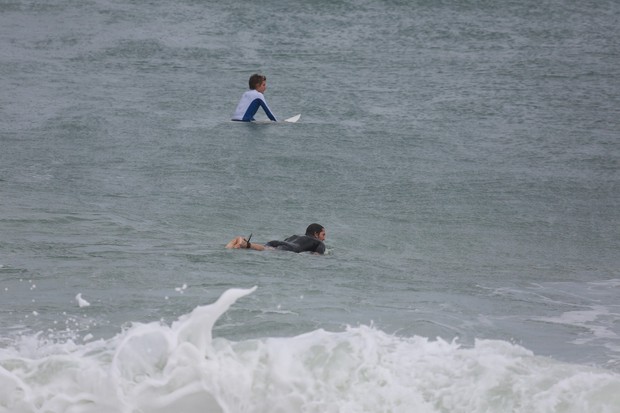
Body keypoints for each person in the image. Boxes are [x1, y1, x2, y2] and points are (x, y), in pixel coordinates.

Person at [226, 223, 326, 254]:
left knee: (266, 248)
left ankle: (239, 242)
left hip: (277, 242)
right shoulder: (319, 243)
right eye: (323, 234)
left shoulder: (296, 236)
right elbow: (316, 257)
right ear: (316, 234)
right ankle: (244, 243)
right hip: (291, 248)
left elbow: (284, 242)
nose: (324, 238)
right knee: (268, 250)